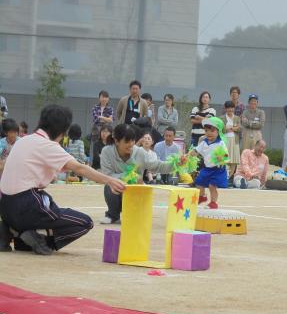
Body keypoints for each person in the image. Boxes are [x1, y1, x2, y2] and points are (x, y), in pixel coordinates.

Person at [0, 105, 125, 255]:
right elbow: (80, 168)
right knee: (84, 223)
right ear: (61, 131)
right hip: (27, 204)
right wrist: (110, 180)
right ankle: (39, 239)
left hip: (5, 206)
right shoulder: (48, 145)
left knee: (47, 200)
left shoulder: (23, 141)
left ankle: (12, 232)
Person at [100, 124, 173, 224]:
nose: (131, 144)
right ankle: (113, 215)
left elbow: (157, 165)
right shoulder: (106, 151)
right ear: (116, 141)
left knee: (133, 220)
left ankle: (132, 214)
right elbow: (107, 175)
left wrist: (176, 164)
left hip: (135, 191)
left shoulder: (140, 152)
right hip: (117, 189)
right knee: (109, 184)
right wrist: (133, 177)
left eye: (133, 141)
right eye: (127, 141)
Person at [188, 117, 228, 209]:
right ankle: (202, 197)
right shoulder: (204, 142)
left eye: (212, 131)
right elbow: (196, 151)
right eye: (206, 130)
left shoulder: (221, 143)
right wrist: (189, 155)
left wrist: (221, 157)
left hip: (218, 169)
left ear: (218, 132)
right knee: (198, 183)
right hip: (207, 168)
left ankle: (213, 202)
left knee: (212, 186)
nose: (208, 133)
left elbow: (226, 155)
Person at [221, 101, 241, 181]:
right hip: (225, 140)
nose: (230, 109)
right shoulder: (221, 118)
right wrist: (232, 128)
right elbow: (221, 129)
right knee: (224, 159)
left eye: (232, 107)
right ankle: (224, 176)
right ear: (225, 108)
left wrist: (231, 128)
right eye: (228, 107)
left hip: (234, 141)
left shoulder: (237, 118)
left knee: (233, 160)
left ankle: (229, 178)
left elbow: (239, 128)